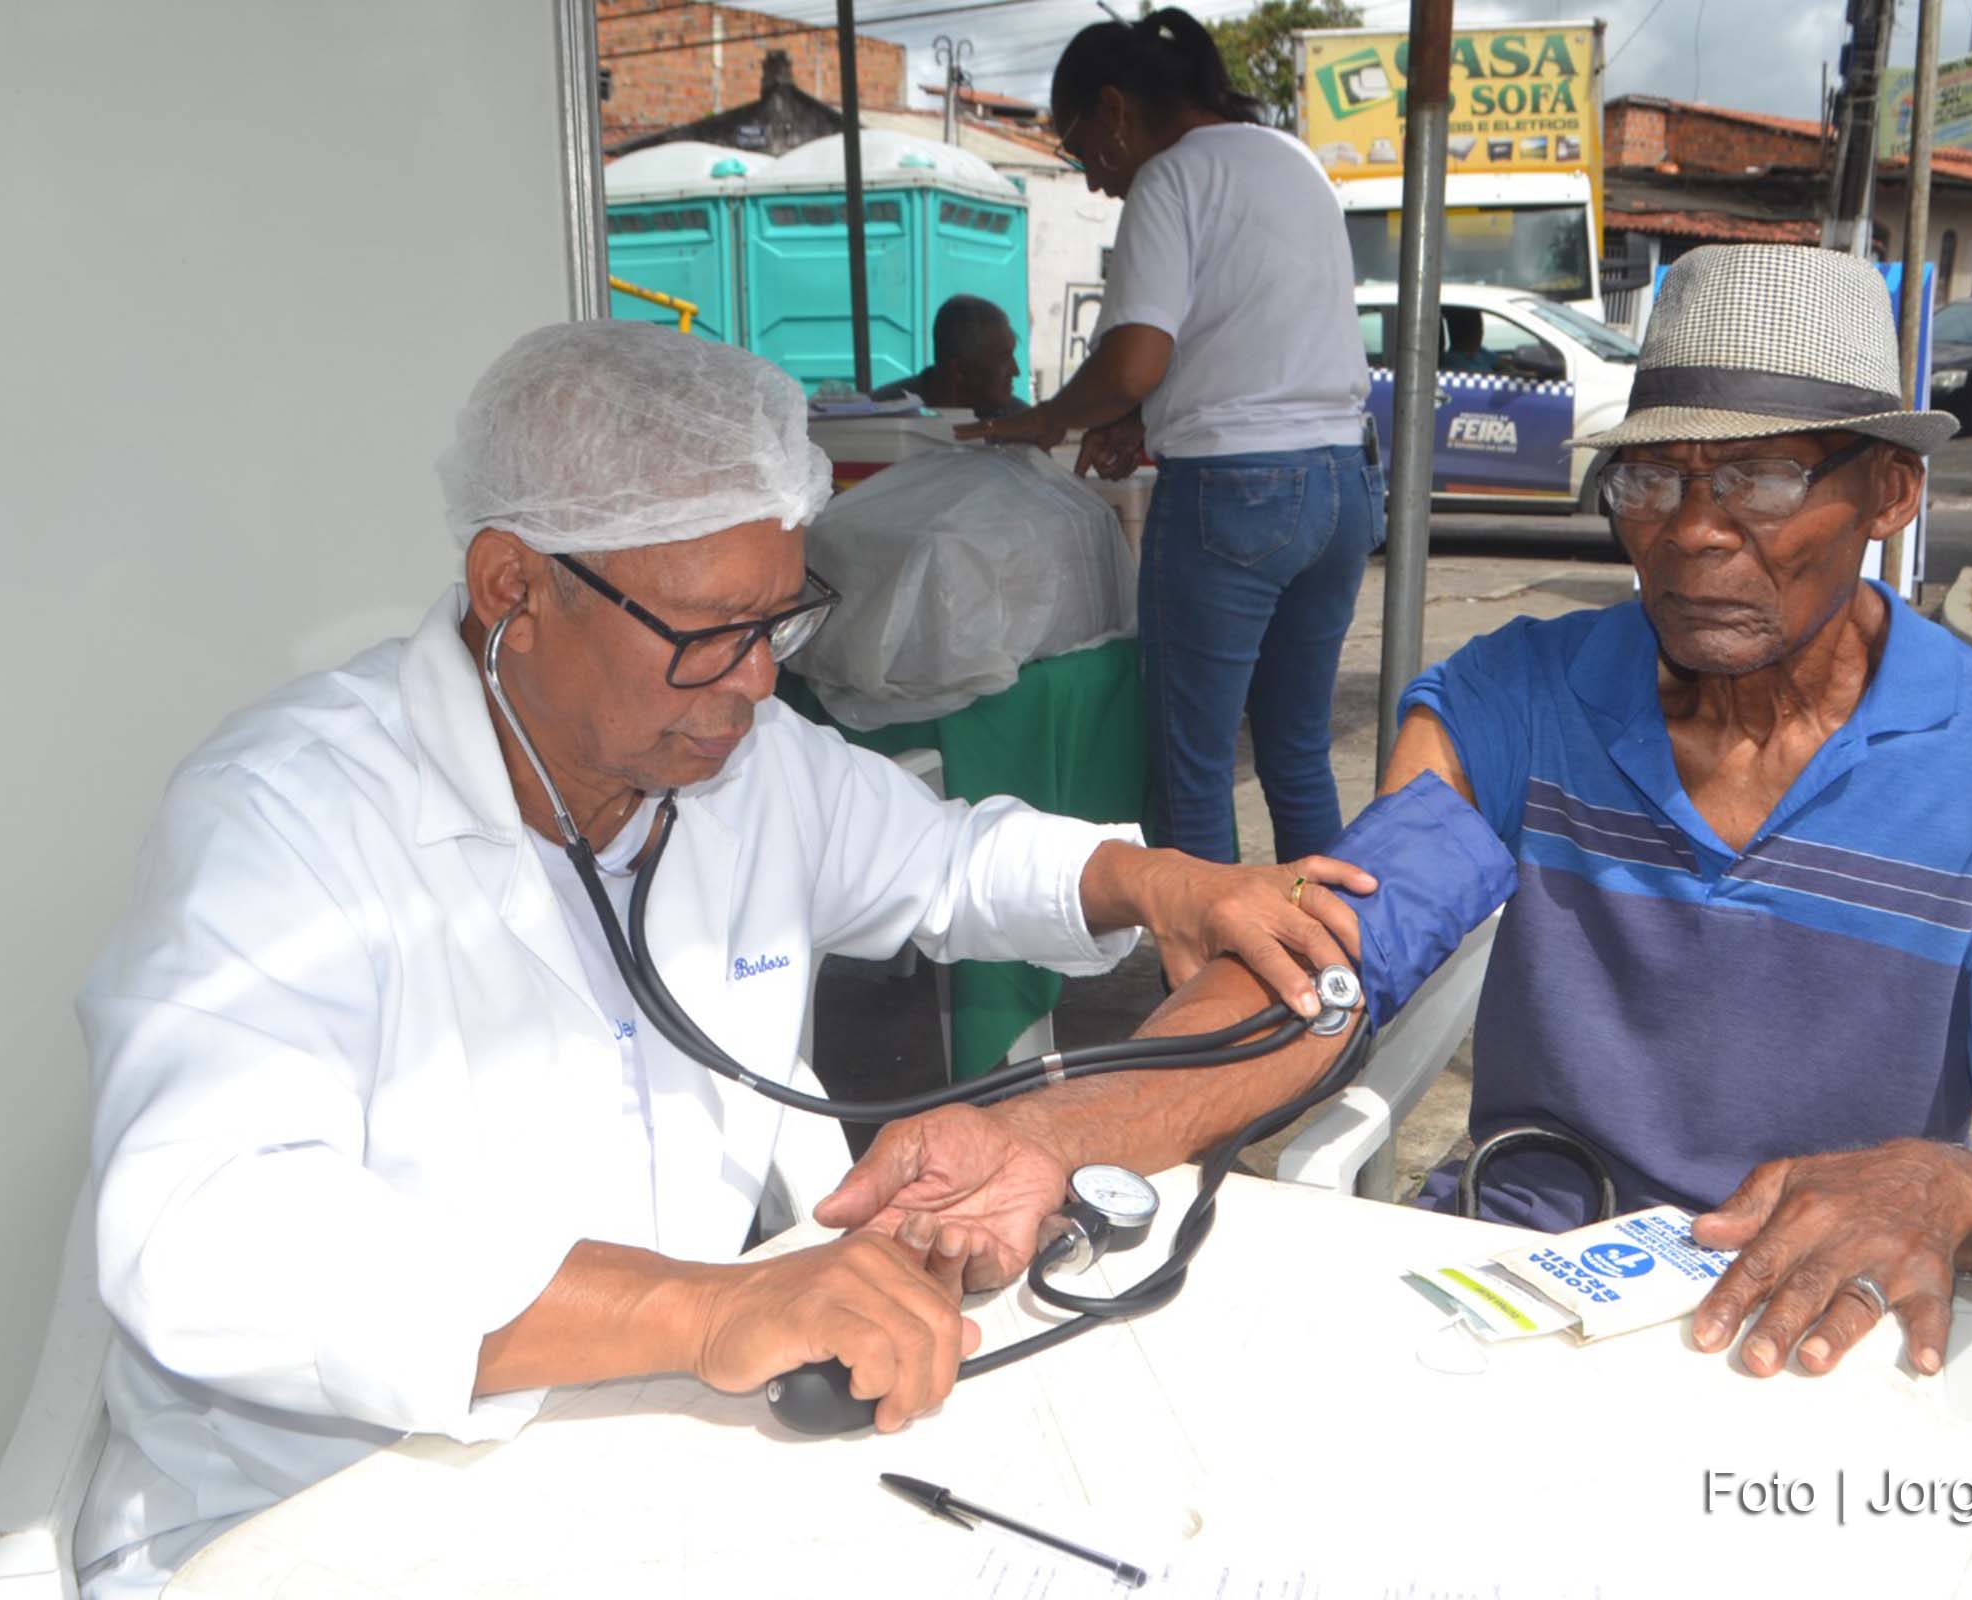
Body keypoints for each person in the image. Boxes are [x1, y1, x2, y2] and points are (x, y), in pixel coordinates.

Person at [75, 321, 1371, 1595]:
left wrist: (1158, 883)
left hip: (637, 1465)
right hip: (315, 1519)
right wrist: (700, 1311)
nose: (754, 683)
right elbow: (204, 1236)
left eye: (779, 620)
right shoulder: (283, 821)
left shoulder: (739, 763)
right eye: (707, 630)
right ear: (511, 589)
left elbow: (950, 865)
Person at [828, 245, 1972, 1395]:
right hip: (1523, 1287)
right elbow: (1329, 957)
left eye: (1766, 480)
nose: (1693, 537)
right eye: (1652, 484)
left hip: (1809, 1331)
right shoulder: (1521, 700)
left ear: (1892, 493)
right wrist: (1055, 1133)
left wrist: (1946, 1185)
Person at [957, 10, 1380, 868]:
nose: (1090, 180)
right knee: (1297, 752)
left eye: (1081, 149)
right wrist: (1140, 420)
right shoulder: (1292, 160)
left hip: (1235, 500)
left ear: (1115, 109)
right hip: (1341, 484)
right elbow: (1254, 337)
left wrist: (1048, 418)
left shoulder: (1171, 178)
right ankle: (1335, 976)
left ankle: (1207, 990)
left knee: (1192, 768)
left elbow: (1134, 359)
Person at [870, 294, 1022, 417]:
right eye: (1003, 358)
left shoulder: (1019, 423)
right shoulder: (884, 417)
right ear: (959, 370)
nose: (1016, 371)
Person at [1441, 306, 1494, 373]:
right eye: (1479, 328)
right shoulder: (1459, 368)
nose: (1482, 332)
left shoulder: (1476, 350)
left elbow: (1498, 361)